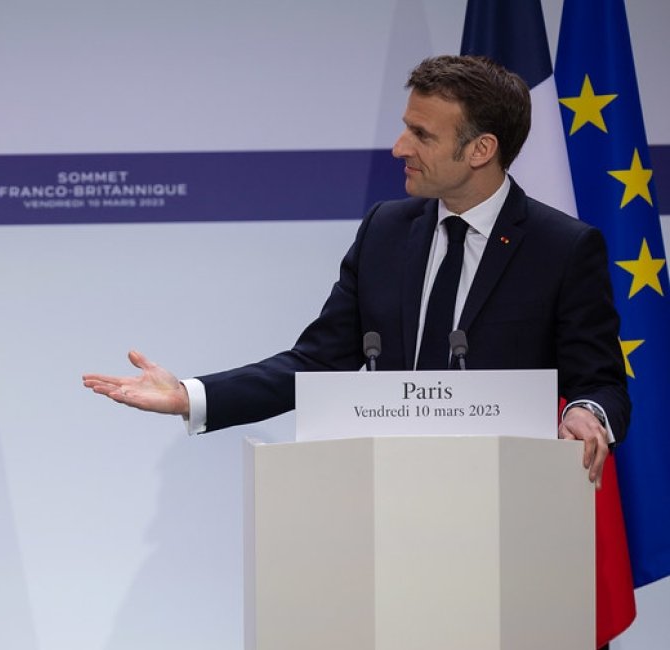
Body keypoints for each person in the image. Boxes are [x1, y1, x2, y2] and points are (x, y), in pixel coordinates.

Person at [83, 55, 629, 487]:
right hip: (387, 501)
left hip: (511, 513)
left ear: (481, 149)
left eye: (422, 134)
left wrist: (587, 413)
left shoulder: (562, 247)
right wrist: (191, 394)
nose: (399, 148)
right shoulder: (386, 230)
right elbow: (319, 361)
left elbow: (600, 380)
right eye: (404, 127)